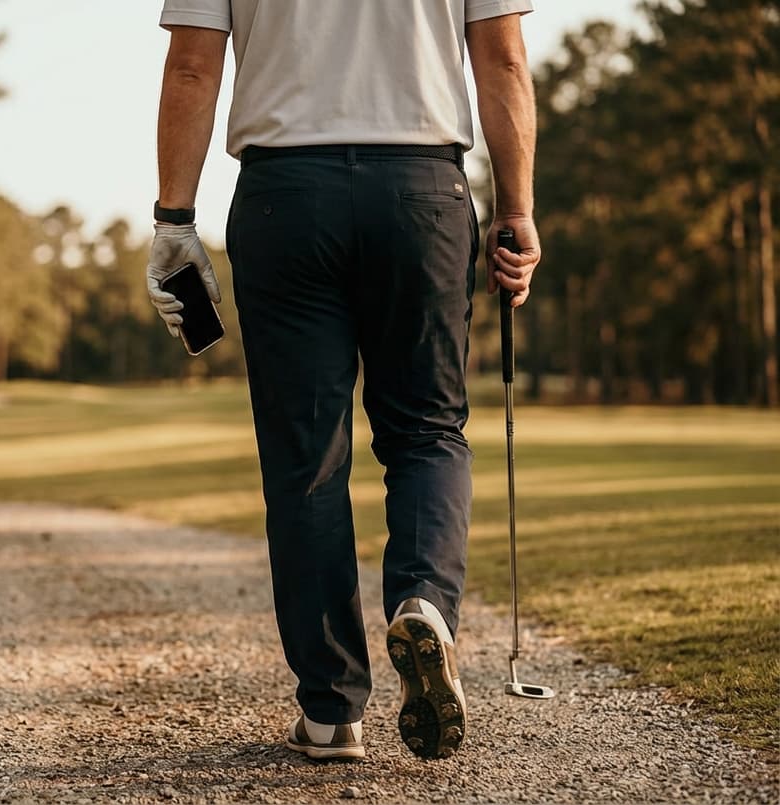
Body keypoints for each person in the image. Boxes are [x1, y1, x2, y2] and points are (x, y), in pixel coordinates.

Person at [147, 1, 541, 761]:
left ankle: (329, 710)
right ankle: (424, 598)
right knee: (426, 431)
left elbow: (193, 65)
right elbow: (505, 61)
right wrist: (517, 208)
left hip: (283, 195)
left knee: (307, 460)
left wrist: (174, 219)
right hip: (422, 189)